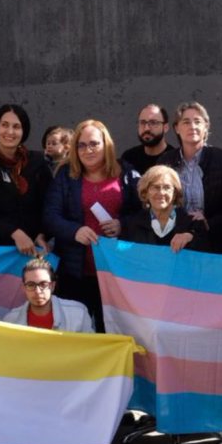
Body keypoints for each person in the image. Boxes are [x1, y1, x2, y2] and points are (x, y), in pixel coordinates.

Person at [44, 119, 140, 332]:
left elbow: (144, 213)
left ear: (106, 144)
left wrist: (123, 225)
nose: (88, 150)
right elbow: (50, 216)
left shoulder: (125, 173)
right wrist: (74, 231)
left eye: (94, 143)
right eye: (82, 145)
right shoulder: (66, 175)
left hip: (115, 272)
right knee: (77, 333)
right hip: (76, 272)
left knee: (114, 332)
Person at [0, 105, 51, 254]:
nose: (10, 132)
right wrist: (14, 232)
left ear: (23, 131)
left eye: (16, 126)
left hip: (35, 249)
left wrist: (43, 234)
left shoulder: (38, 162)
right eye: (4, 125)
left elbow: (50, 205)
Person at [157, 102, 222, 253]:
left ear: (206, 126)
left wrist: (208, 223)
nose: (192, 126)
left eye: (197, 122)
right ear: (176, 128)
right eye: (186, 122)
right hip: (173, 243)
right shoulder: (164, 162)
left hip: (213, 243)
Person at [121, 165, 207, 251]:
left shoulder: (192, 224)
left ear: (175, 193)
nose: (161, 193)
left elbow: (207, 256)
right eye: (155, 187)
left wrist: (191, 237)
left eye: (167, 187)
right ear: (145, 193)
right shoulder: (132, 225)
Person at [2, 258, 94, 332]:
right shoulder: (10, 320)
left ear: (52, 286)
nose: (38, 291)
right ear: (23, 288)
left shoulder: (78, 313)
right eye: (31, 285)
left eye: (43, 284)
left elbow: (90, 349)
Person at [121, 104, 177, 174]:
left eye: (153, 123)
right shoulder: (129, 158)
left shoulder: (175, 160)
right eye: (142, 122)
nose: (146, 128)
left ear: (165, 127)